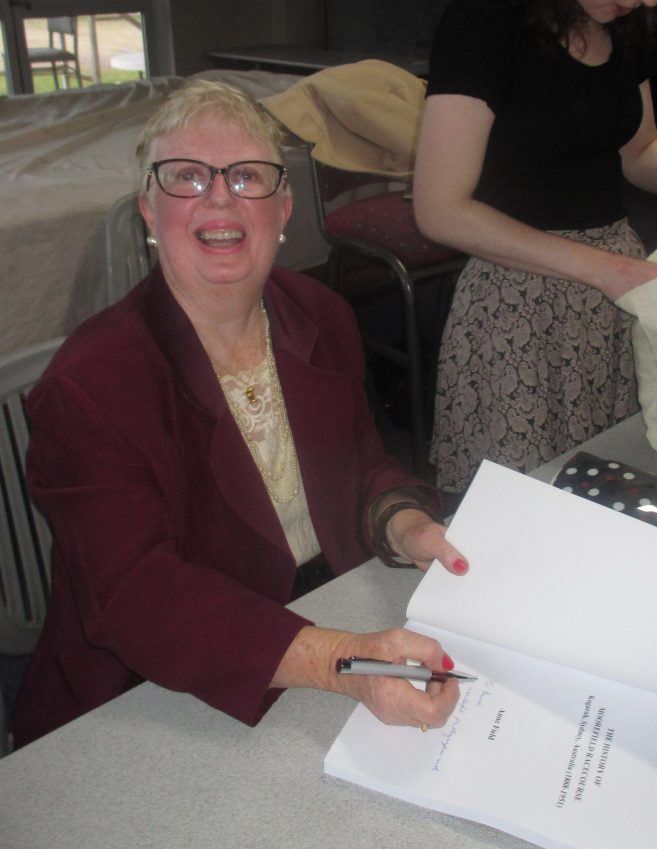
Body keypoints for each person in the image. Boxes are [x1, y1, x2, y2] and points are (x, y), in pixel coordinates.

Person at [12, 80, 469, 749]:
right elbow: (139, 596)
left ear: (283, 208)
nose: (220, 196)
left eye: (248, 176)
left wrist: (406, 525)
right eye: (187, 177)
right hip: (143, 700)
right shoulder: (88, 385)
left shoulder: (321, 315)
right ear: (148, 209)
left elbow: (362, 463)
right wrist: (343, 660)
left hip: (313, 620)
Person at [413, 0, 657, 494]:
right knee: (523, 506)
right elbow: (440, 209)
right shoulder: (484, 21)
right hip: (521, 301)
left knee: (617, 487)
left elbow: (638, 149)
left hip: (617, 291)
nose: (650, 1)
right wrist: (604, 268)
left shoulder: (625, 23)